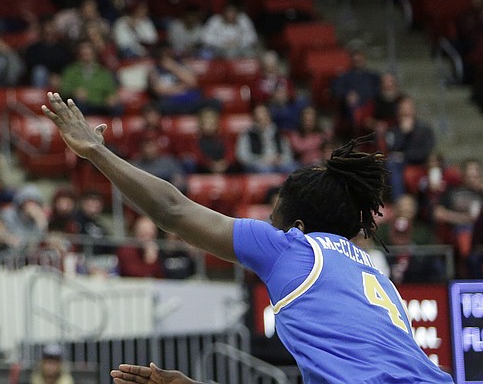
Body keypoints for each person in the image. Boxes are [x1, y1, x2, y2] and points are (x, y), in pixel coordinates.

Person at [41, 92, 453, 384]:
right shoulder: (376, 278)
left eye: (273, 220)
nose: (268, 228)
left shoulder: (294, 248)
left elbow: (173, 210)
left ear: (297, 227)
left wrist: (96, 152)